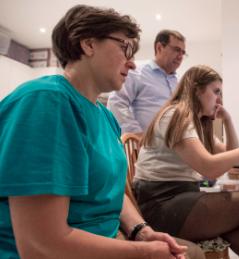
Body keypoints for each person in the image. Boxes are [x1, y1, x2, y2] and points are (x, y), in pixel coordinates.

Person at [0, 5, 204, 259]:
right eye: (125, 48)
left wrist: (141, 230)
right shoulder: (45, 102)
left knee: (192, 253)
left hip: (104, 237)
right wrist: (144, 253)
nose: (131, 63)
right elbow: (41, 244)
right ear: (88, 44)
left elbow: (112, 192)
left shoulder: (104, 116)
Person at [134, 65, 239, 259]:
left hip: (181, 199)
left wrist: (228, 120)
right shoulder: (176, 115)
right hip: (161, 205)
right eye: (216, 92)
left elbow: (231, 156)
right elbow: (210, 168)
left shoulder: (196, 122)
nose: (219, 100)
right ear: (197, 90)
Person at [107, 29, 186, 134]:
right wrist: (136, 135)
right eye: (176, 50)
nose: (180, 56)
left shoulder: (180, 82)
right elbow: (116, 103)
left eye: (183, 52)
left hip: (175, 146)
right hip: (144, 147)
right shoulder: (135, 71)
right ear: (159, 48)